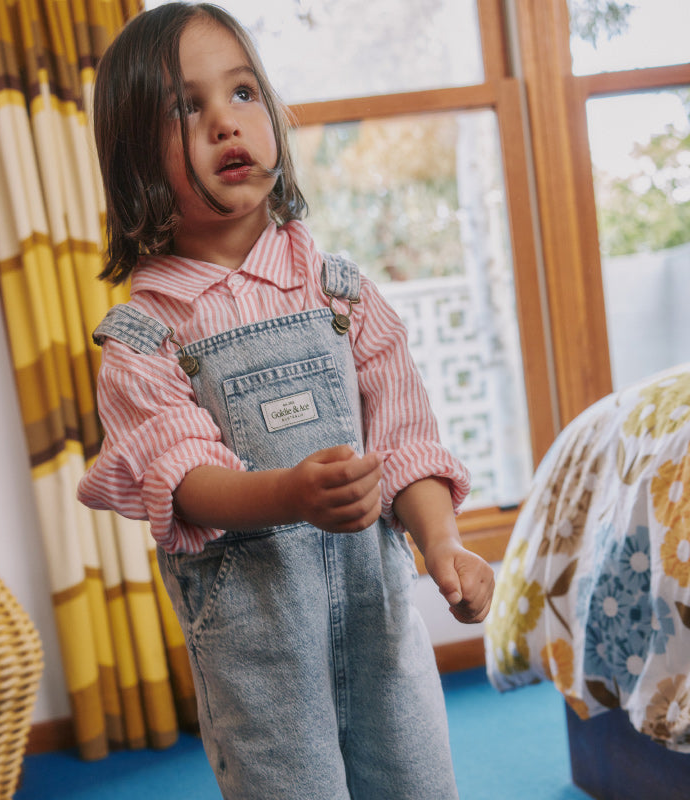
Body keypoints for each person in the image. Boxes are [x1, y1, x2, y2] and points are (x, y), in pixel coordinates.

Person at [78, 3, 494, 798]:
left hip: (382, 634)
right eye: (185, 108)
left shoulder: (343, 293)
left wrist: (443, 545)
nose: (225, 125)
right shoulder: (142, 340)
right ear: (134, 158)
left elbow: (406, 437)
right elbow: (187, 479)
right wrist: (290, 493)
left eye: (242, 95)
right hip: (258, 664)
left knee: (418, 782)